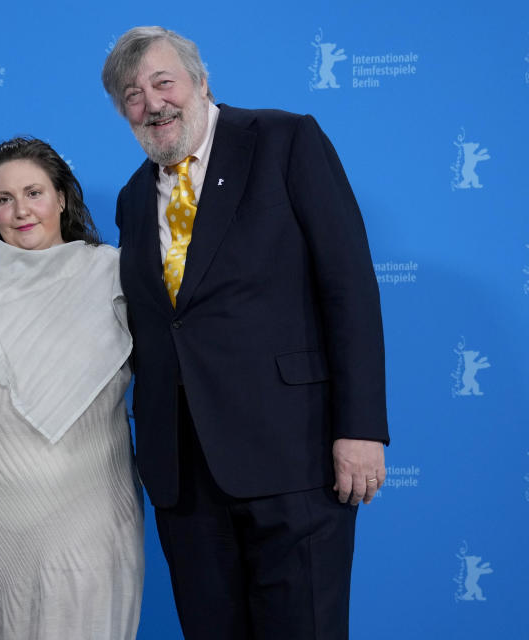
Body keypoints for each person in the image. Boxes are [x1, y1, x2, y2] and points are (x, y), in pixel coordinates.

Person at [102, 27, 389, 639]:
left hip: (295, 457)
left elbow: (350, 289)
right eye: (131, 94)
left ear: (202, 83)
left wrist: (360, 428)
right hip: (184, 477)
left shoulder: (284, 140)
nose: (151, 102)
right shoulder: (131, 198)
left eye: (162, 82)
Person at [0, 137, 145, 639]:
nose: (20, 210)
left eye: (33, 193)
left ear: (62, 197)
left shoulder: (114, 271)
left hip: (91, 494)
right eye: (3, 199)